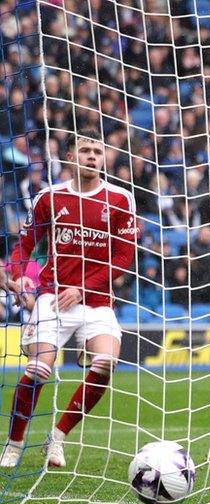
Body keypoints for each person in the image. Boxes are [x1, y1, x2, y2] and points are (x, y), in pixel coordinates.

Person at [1, 129, 138, 469]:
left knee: (105, 364)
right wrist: (15, 273)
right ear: (71, 158)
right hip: (50, 295)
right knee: (39, 369)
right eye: (85, 150)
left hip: (96, 300)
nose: (92, 156)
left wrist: (83, 289)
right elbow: (26, 243)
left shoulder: (120, 199)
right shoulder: (49, 197)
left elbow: (123, 258)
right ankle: (14, 444)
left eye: (98, 151)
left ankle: (57, 437)